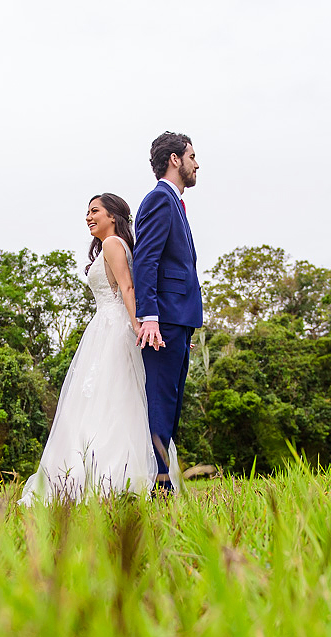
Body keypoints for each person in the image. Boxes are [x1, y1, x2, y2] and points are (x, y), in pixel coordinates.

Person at [20, 193, 171, 504]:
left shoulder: (113, 244)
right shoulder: (118, 246)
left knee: (110, 404)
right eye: (87, 212)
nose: (88, 217)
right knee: (106, 404)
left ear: (112, 216)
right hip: (106, 326)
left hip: (114, 329)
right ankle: (106, 478)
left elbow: (128, 288)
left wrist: (138, 326)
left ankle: (108, 480)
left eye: (94, 211)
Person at [132, 132, 201, 493]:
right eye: (192, 156)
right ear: (174, 159)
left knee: (171, 403)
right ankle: (160, 485)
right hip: (163, 320)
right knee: (162, 399)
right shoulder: (160, 199)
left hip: (178, 320)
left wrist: (183, 323)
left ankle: (163, 479)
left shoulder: (175, 203)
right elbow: (146, 259)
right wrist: (152, 317)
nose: (196, 163)